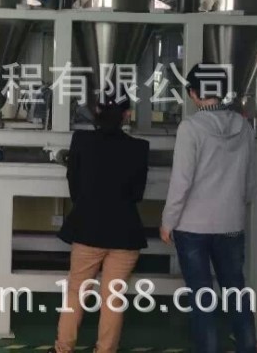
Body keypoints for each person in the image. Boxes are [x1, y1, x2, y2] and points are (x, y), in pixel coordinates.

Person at [160, 64, 256, 353]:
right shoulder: (244, 127)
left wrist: (168, 221)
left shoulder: (190, 128)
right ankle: (247, 347)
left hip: (193, 227)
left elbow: (182, 182)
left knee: (202, 298)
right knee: (236, 292)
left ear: (193, 93)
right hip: (231, 224)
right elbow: (249, 179)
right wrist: (237, 207)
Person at [55, 91, 149, 353]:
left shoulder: (81, 141)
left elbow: (74, 186)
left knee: (76, 292)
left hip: (87, 229)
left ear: (96, 111)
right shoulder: (139, 148)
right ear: (126, 115)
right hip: (125, 234)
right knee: (113, 299)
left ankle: (64, 348)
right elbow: (137, 194)